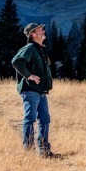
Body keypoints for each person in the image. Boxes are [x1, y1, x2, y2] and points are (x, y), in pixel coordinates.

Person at [11, 23, 55, 157]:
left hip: (41, 90)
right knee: (30, 118)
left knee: (45, 119)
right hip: (30, 89)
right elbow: (16, 61)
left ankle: (44, 151)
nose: (43, 30)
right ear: (33, 35)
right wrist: (29, 75)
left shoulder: (41, 49)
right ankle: (28, 151)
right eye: (39, 30)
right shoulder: (30, 47)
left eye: (42, 28)